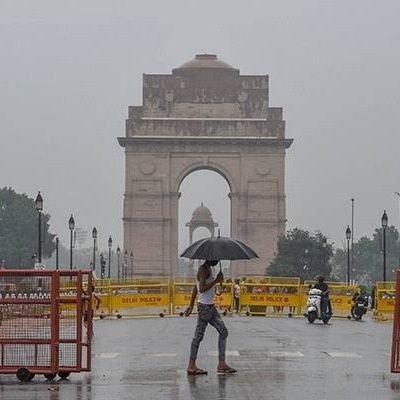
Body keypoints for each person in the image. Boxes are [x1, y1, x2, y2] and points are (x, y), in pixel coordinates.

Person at [185, 260, 237, 376]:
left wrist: (191, 305)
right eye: (215, 258)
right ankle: (191, 365)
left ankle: (221, 363)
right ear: (209, 257)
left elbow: (196, 288)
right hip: (204, 308)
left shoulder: (208, 269)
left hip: (210, 307)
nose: (217, 260)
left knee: (223, 332)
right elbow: (201, 288)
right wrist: (216, 281)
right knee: (198, 336)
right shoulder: (203, 270)